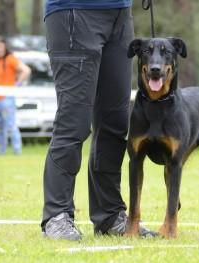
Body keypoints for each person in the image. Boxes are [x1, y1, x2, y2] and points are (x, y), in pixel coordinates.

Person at [42, 1, 157, 240]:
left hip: (120, 13)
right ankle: (57, 215)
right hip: (75, 11)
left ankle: (110, 215)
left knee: (116, 122)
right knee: (74, 122)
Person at [0, 36, 31, 155]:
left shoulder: (10, 59)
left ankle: (17, 150)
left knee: (11, 125)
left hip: (7, 99)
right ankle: (1, 150)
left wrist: (17, 84)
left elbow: (26, 70)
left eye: (0, 46)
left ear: (5, 46)